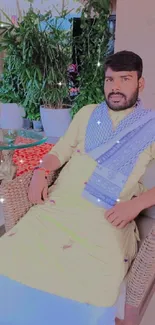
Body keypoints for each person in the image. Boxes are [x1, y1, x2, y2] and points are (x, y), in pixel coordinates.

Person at [1, 50, 155, 325]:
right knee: (11, 256)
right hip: (60, 204)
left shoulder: (151, 126)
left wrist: (137, 204)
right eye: (109, 80)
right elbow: (60, 151)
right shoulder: (87, 113)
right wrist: (41, 171)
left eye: (125, 79)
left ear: (140, 83)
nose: (115, 87)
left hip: (108, 214)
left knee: (91, 279)